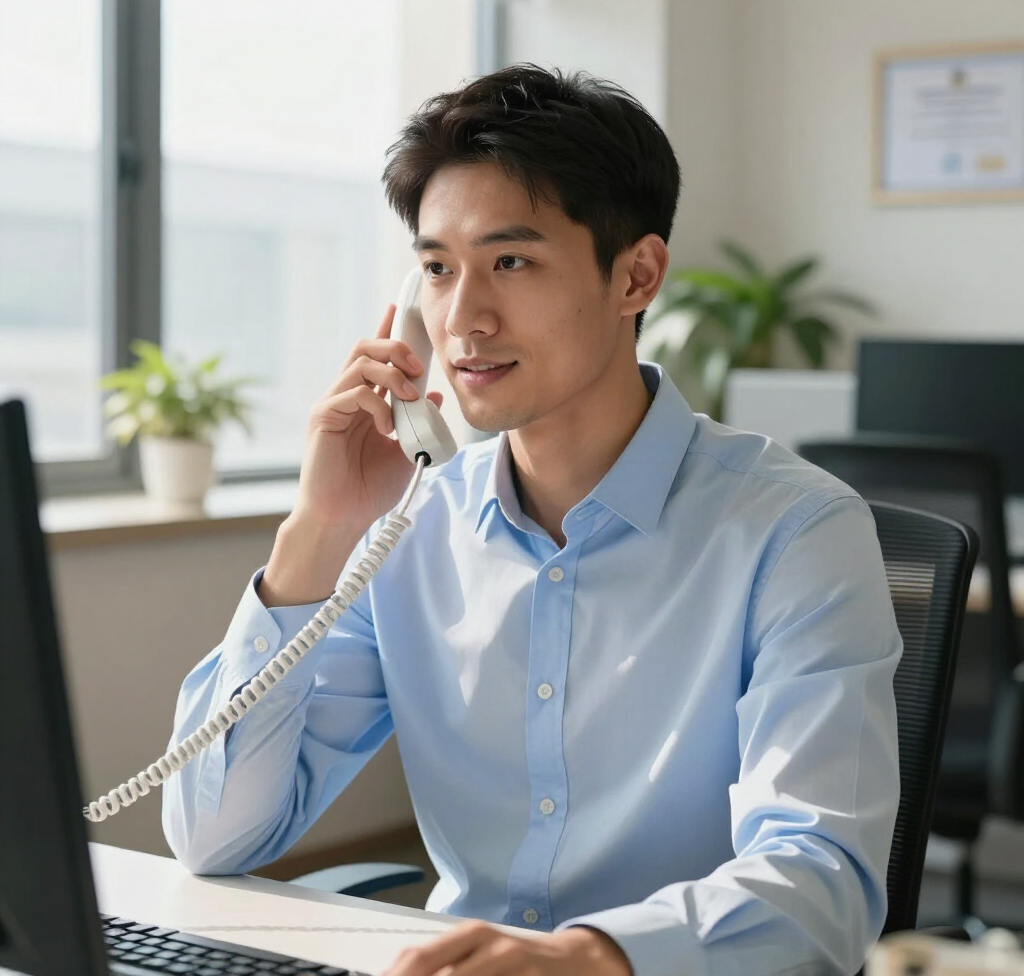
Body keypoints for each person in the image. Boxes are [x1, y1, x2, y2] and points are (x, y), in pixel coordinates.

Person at [163, 64, 901, 976]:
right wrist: (316, 530)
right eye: (437, 269)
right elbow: (213, 834)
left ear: (637, 275)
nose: (464, 317)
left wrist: (594, 958)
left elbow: (820, 879)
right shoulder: (411, 528)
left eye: (510, 261)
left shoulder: (797, 530)